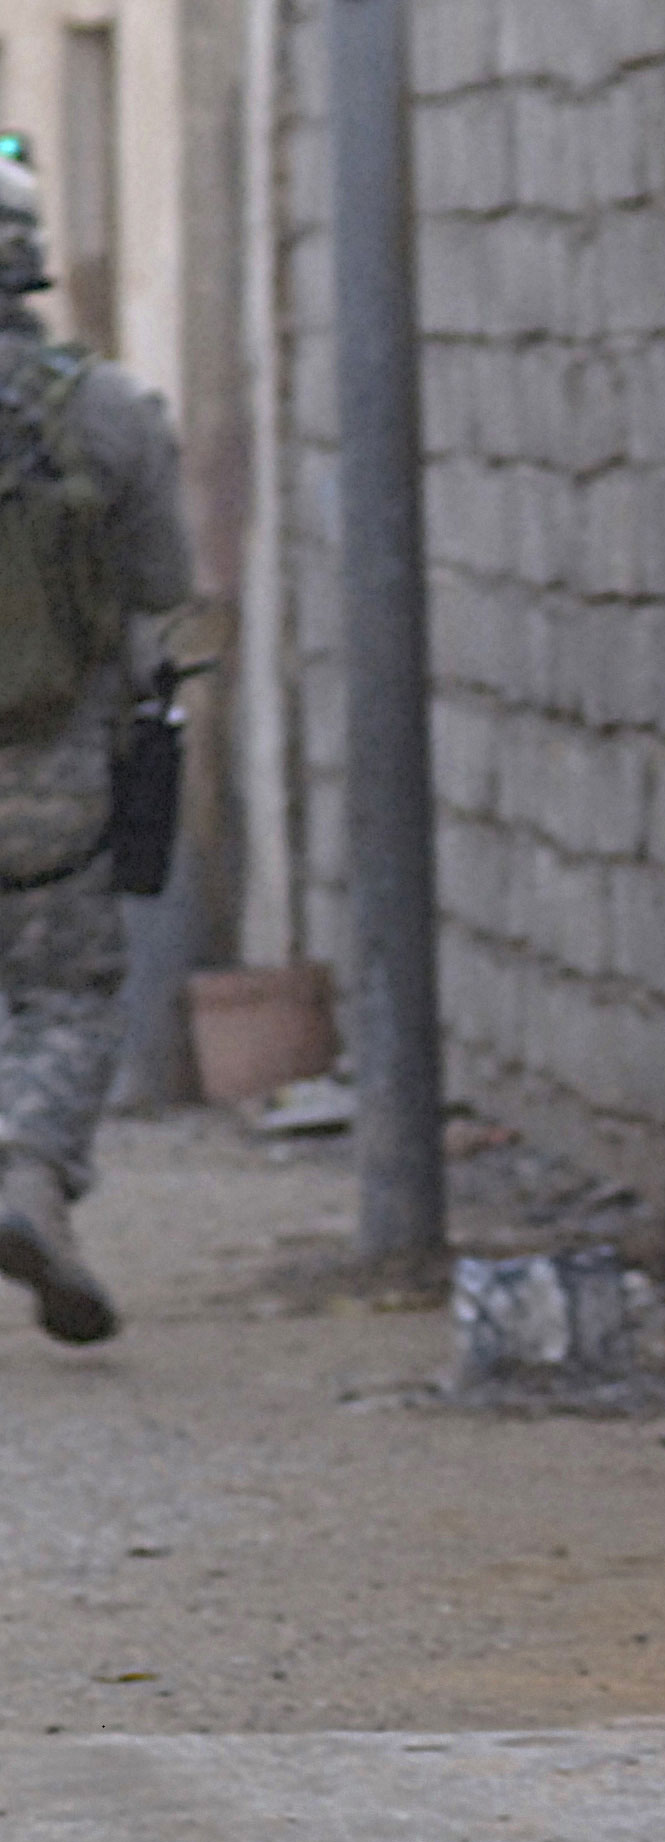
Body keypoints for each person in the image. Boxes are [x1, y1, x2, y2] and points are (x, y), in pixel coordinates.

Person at [0, 147, 191, 1346]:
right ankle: (28, 1180)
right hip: (56, 768)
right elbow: (164, 582)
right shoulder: (108, 411)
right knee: (68, 994)